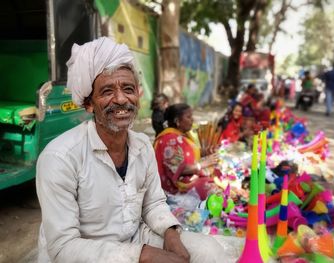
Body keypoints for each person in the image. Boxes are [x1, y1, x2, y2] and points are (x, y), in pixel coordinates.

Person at [36, 37, 229, 263]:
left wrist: (170, 232)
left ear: (137, 96)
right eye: (107, 91)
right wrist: (142, 255)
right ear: (88, 103)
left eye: (128, 89)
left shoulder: (143, 145)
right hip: (87, 253)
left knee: (209, 251)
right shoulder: (59, 158)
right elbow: (63, 248)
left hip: (135, 238)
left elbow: (154, 203)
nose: (120, 99)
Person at [154, 103, 218, 201]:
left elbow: (186, 156)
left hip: (186, 180)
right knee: (212, 190)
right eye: (188, 117)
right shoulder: (170, 139)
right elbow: (178, 168)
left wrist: (204, 152)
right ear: (177, 121)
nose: (192, 120)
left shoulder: (180, 136)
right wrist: (203, 164)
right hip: (173, 191)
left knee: (216, 176)